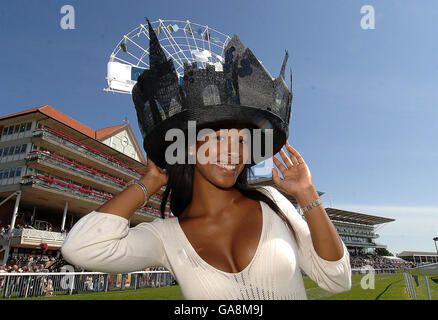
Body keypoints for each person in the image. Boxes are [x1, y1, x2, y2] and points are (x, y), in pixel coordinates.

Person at [61, 21, 351, 300]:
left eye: (241, 140)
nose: (234, 152)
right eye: (218, 138)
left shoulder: (270, 201)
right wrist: (149, 182)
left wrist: (307, 195)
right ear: (187, 147)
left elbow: (337, 279)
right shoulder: (166, 236)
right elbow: (81, 248)